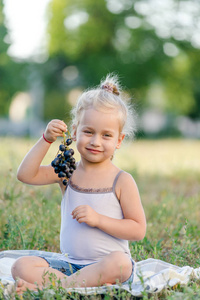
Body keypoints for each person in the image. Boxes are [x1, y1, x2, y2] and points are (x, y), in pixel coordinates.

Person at [12, 74, 146, 294]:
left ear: (119, 140)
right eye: (88, 132)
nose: (95, 141)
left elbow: (138, 229)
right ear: (74, 132)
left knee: (120, 263)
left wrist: (99, 219)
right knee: (21, 266)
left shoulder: (122, 180)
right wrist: (46, 139)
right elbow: (26, 175)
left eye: (106, 135)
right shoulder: (68, 172)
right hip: (70, 265)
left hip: (107, 265)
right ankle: (70, 285)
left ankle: (51, 289)